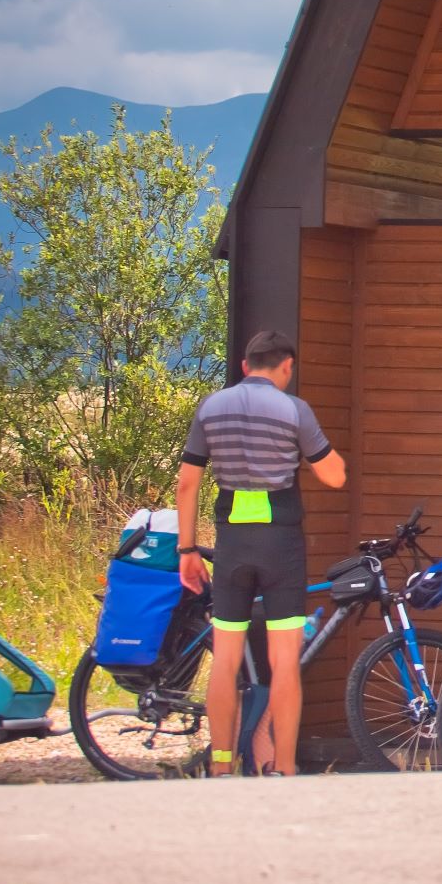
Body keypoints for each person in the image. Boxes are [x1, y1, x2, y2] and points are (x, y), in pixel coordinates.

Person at [173, 330, 346, 776]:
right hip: (280, 543)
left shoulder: (211, 407)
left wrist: (187, 550)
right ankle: (284, 769)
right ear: (286, 366)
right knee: (283, 661)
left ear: (246, 367)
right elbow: (335, 477)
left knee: (226, 660)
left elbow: (187, 483)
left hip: (232, 542)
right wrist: (308, 454)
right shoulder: (294, 410)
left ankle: (222, 766)